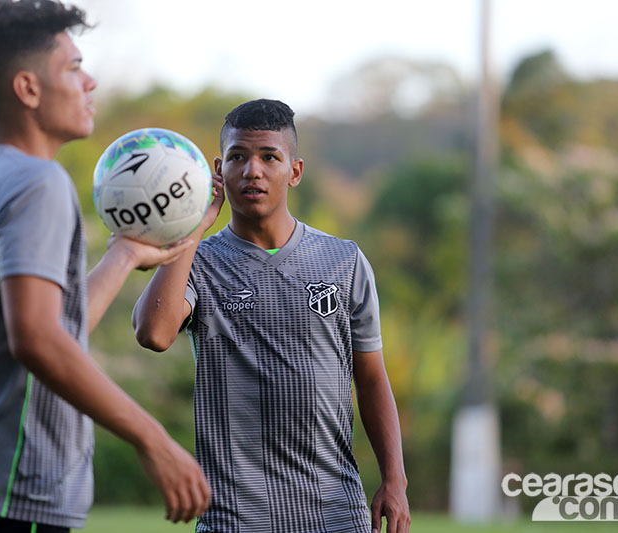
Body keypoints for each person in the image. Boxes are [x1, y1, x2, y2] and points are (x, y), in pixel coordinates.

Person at [0, 1, 210, 531]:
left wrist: (125, 253)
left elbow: (47, 329)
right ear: (28, 89)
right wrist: (154, 439)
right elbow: (36, 339)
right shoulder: (37, 183)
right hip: (7, 495)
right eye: (73, 67)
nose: (89, 81)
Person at [133, 99, 411, 533]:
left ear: (294, 171)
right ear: (218, 170)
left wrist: (395, 479)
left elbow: (372, 377)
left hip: (334, 513)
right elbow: (153, 333)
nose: (252, 170)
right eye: (238, 157)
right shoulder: (198, 261)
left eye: (269, 157)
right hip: (235, 517)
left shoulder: (344, 261)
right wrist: (191, 229)